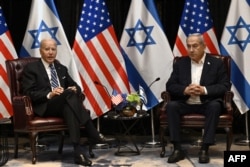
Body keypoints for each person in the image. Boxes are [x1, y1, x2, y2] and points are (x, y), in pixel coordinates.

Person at [22, 38, 113, 166]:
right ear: (40, 51)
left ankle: (78, 152)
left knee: (69, 105)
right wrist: (50, 94)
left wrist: (75, 88)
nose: (50, 52)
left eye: (53, 49)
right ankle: (92, 131)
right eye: (47, 49)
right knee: (69, 95)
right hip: (45, 105)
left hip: (64, 104)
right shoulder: (32, 68)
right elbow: (28, 92)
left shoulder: (61, 68)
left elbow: (76, 86)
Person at [165, 33, 231, 164]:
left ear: (204, 46)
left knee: (215, 106)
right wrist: (185, 90)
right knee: (171, 106)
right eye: (188, 46)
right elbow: (170, 85)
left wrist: (204, 90)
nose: (191, 50)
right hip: (186, 102)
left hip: (207, 102)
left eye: (195, 46)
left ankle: (204, 149)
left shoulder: (217, 63)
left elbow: (225, 86)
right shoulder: (180, 63)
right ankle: (177, 149)